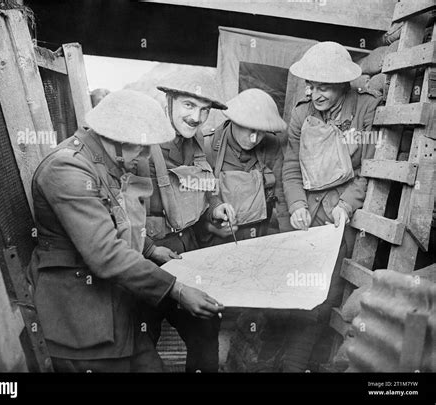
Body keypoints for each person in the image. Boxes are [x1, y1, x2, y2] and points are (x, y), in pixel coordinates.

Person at [26, 90, 224, 372]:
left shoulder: (104, 162)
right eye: (140, 147)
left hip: (117, 309)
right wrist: (177, 290)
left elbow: (113, 220)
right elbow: (105, 252)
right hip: (82, 322)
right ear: (114, 138)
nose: (145, 155)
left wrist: (150, 249)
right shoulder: (67, 168)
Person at [281, 41, 383, 370]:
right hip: (307, 218)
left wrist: (348, 204)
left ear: (342, 84)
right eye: (311, 85)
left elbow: (371, 169)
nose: (315, 94)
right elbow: (291, 167)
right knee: (298, 296)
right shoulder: (301, 113)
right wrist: (297, 204)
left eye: (323, 86)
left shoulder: (365, 109)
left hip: (340, 217)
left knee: (324, 298)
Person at [140, 69, 236, 372]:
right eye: (188, 105)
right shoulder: (141, 143)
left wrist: (216, 209)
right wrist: (147, 248)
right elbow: (116, 215)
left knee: (207, 330)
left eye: (204, 109)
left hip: (187, 255)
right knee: (141, 344)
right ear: (169, 100)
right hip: (145, 262)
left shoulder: (195, 142)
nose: (196, 117)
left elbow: (204, 189)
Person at [198, 88, 288, 247]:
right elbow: (194, 201)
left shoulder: (271, 146)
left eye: (261, 132)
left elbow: (282, 195)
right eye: (250, 129)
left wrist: (289, 240)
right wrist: (211, 227)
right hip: (215, 242)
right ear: (234, 120)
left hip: (258, 238)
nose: (254, 138)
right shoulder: (207, 146)